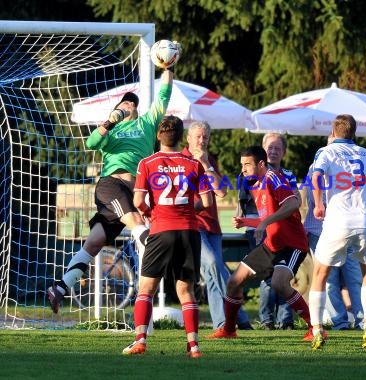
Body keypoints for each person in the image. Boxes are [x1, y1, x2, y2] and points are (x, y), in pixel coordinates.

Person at [47, 69, 174, 312]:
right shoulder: (111, 131)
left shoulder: (147, 123)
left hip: (134, 188)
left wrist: (168, 67)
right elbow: (91, 142)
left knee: (94, 242)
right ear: (116, 108)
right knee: (137, 221)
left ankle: (60, 288)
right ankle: (159, 263)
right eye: (125, 101)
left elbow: (164, 96)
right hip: (112, 185)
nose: (130, 104)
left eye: (133, 102)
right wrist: (110, 121)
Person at [121, 115, 211, 358]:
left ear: (158, 136)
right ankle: (193, 346)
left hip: (161, 230)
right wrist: (185, 211)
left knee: (146, 289)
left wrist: (153, 213)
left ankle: (140, 340)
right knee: (186, 291)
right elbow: (207, 201)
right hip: (188, 231)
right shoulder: (194, 164)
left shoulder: (147, 163)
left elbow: (139, 201)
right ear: (181, 137)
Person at [208, 146, 313, 340]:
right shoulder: (254, 184)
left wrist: (264, 222)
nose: (243, 169)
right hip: (272, 244)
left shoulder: (273, 177)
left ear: (261, 164)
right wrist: (247, 222)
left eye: (247, 164)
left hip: (292, 245)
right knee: (234, 282)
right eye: (242, 165)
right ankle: (229, 330)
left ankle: (313, 327)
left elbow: (292, 204)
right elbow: (270, 217)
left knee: (279, 283)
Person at [308, 114, 366, 350]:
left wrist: (319, 203)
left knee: (320, 275)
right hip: (365, 221)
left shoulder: (326, 152)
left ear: (333, 133)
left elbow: (316, 176)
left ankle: (317, 331)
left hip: (338, 222)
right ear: (354, 133)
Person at [182, 121, 252, 331]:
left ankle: (221, 324)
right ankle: (240, 316)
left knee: (213, 276)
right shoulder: (180, 160)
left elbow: (221, 191)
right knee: (213, 265)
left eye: (205, 137)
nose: (202, 141)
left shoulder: (209, 160)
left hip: (212, 226)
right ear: (188, 138)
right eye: (198, 137)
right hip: (192, 224)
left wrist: (206, 164)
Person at [235, 133, 296, 330]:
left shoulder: (287, 175)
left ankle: (286, 319)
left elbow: (295, 201)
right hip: (259, 230)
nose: (274, 151)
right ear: (263, 150)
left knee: (283, 274)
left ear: (284, 152)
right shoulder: (249, 174)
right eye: (270, 148)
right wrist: (246, 222)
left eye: (278, 148)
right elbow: (243, 203)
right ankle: (267, 319)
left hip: (282, 230)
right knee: (267, 274)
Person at [304, 137, 363, 331]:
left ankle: (363, 320)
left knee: (353, 276)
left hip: (345, 228)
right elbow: (311, 200)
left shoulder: (348, 166)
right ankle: (340, 322)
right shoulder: (316, 166)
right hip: (319, 230)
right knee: (329, 280)